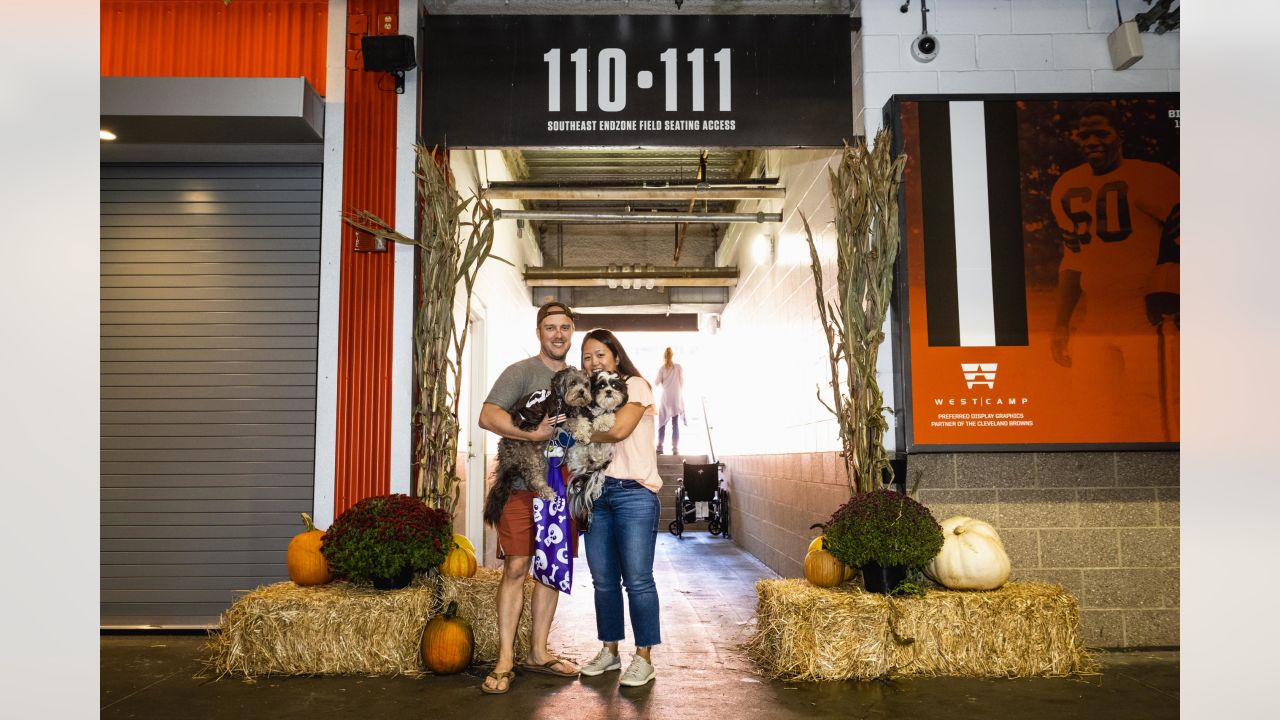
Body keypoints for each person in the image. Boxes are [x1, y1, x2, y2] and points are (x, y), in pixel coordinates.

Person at [1049, 101, 1180, 440]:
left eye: (1101, 133)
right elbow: (1073, 260)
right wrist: (1061, 323)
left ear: (1118, 136)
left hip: (1147, 317)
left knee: (1158, 411)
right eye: (1085, 134)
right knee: (1095, 410)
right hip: (1095, 320)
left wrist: (1170, 288)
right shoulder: (1066, 185)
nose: (1092, 140)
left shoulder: (1151, 177)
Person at [476, 301, 582, 694]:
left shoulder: (578, 377)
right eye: (551, 327)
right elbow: (488, 416)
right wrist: (532, 436)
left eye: (565, 327)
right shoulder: (520, 372)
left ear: (572, 332)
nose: (558, 334)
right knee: (517, 568)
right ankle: (505, 659)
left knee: (552, 570)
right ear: (539, 332)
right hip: (521, 486)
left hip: (561, 489)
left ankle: (538, 652)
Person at [576, 329, 663, 688]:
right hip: (596, 492)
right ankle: (610, 650)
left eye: (599, 354)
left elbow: (619, 430)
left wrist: (576, 431)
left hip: (634, 493)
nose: (593, 362)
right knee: (603, 581)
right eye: (587, 357)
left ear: (614, 355)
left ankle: (644, 657)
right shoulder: (588, 396)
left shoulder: (636, 386)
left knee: (638, 581)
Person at [653, 347, 686, 455]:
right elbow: (682, 382)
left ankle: (659, 447)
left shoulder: (662, 368)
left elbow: (656, 383)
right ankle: (675, 448)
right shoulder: (678, 367)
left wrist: (664, 381)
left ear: (665, 356)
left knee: (662, 423)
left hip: (666, 397)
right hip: (676, 397)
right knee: (675, 424)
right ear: (672, 355)